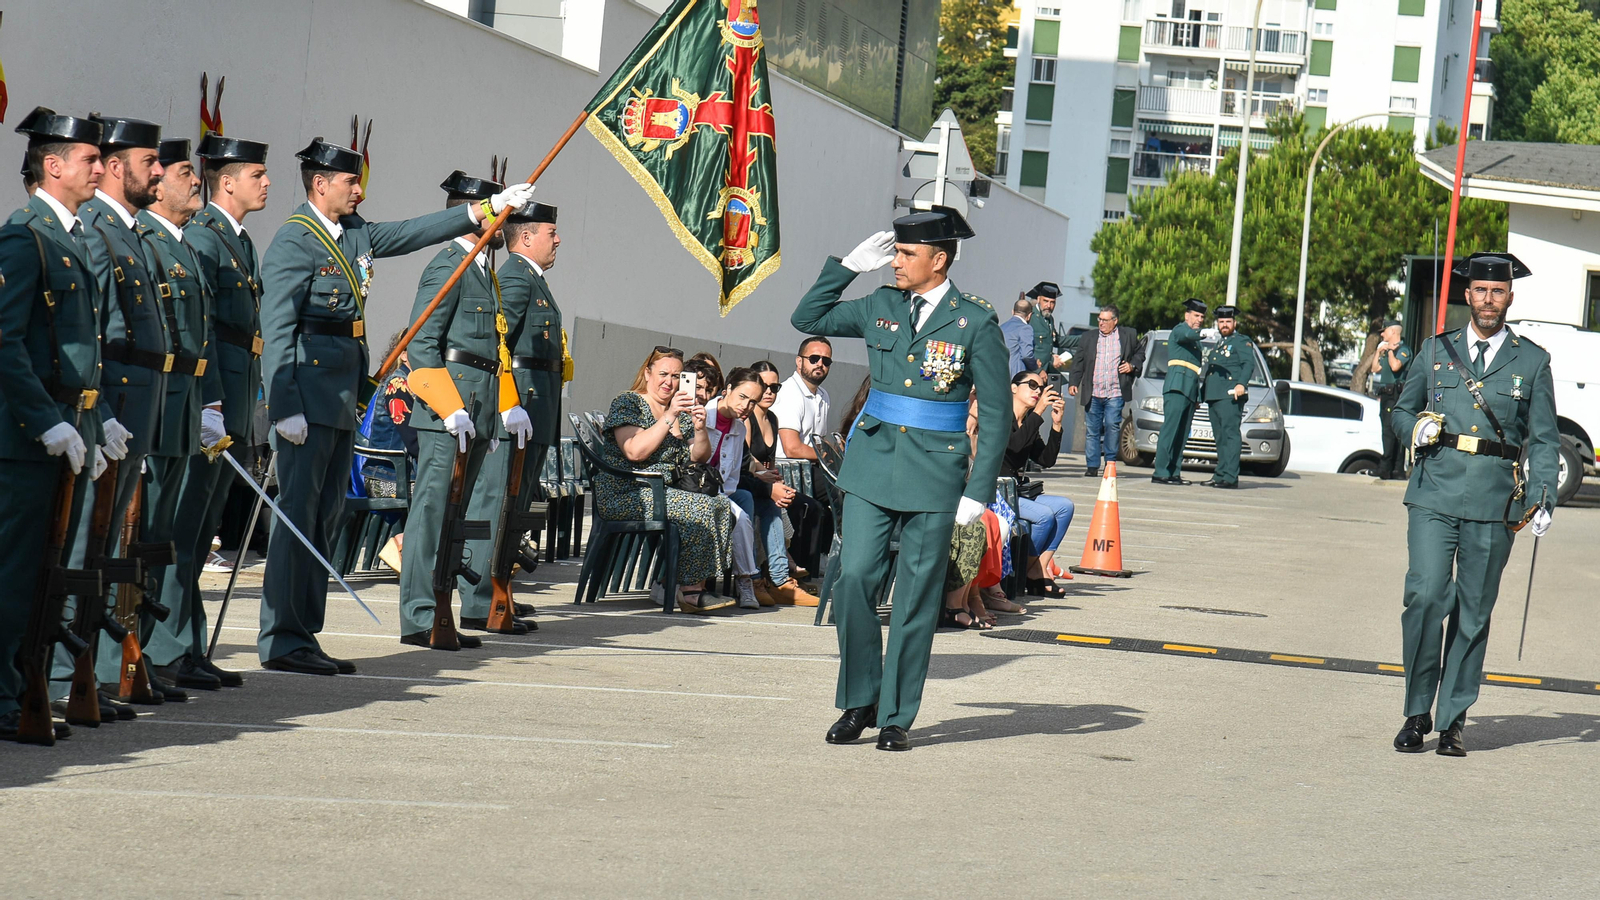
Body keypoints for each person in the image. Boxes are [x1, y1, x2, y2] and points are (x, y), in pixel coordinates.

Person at [257, 138, 534, 675]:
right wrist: (283, 401)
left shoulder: (353, 233)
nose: (359, 190)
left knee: (325, 518)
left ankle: (303, 633)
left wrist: (487, 210)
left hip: (339, 397)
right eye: (349, 181)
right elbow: (278, 327)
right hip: (306, 399)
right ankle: (281, 637)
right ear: (321, 184)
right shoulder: (296, 241)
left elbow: (410, 234)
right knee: (297, 518)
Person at [792, 204, 1009, 752]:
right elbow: (808, 319)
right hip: (871, 466)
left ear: (939, 260)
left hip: (936, 476)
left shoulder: (975, 320)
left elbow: (1000, 414)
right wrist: (847, 266)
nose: (895, 261)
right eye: (894, 253)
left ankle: (895, 716)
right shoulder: (881, 303)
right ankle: (859, 699)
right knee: (855, 580)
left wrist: (976, 494)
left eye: (906, 254)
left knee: (914, 599)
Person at [1391, 252, 1558, 757]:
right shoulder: (1435, 351)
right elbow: (1402, 409)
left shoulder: (1533, 361)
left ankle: (1453, 719)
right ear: (1468, 295)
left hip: (1493, 500)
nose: (1489, 300)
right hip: (1435, 488)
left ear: (1510, 297)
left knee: (1473, 611)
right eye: (1481, 291)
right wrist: (1414, 427)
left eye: (1498, 292)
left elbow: (1545, 439)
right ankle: (1418, 711)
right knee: (1424, 596)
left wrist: (1543, 493)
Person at [0, 108, 111, 742]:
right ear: (53, 165)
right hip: (22, 440)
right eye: (90, 159)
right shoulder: (26, 236)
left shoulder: (67, 235)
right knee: (13, 575)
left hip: (64, 429)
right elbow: (6, 342)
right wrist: (46, 421)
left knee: (41, 575)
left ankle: (20, 687)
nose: (100, 169)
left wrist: (91, 424)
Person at [144, 134, 270, 688]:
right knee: (181, 529)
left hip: (231, 400)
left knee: (200, 531)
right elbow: (208, 334)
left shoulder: (235, 240)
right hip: (203, 401)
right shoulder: (202, 237)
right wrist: (212, 401)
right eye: (257, 174)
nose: (267, 184)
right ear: (229, 179)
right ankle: (166, 647)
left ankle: (186, 643)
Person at [399, 170, 532, 649]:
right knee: (432, 514)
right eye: (497, 209)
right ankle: (418, 615)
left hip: (479, 405)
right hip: (448, 410)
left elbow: (493, 347)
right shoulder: (448, 264)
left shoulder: (481, 269)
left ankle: (443, 610)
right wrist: (449, 406)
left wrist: (504, 407)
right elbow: (422, 344)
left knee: (458, 517)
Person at [73, 116, 175, 704]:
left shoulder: (130, 231)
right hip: (115, 404)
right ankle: (70, 670)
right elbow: (95, 334)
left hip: (143, 401)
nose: (157, 171)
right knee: (91, 541)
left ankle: (108, 664)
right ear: (116, 167)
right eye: (148, 161)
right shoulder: (97, 228)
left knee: (119, 543)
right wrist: (105, 409)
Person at [138, 138, 224, 691]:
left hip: (185, 410)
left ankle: (158, 652)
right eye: (183, 172)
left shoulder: (187, 245)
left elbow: (203, 336)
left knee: (166, 538)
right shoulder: (147, 242)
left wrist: (211, 403)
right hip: (150, 411)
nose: (196, 181)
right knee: (143, 539)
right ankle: (140, 654)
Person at [464, 198, 563, 633]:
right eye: (550, 233)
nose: (558, 239)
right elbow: (498, 343)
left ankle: (500, 591)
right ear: (525, 237)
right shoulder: (517, 279)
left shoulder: (532, 279)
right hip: (517, 410)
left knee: (516, 509)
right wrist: (508, 402)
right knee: (497, 504)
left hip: (535, 409)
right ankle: (479, 601)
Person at [595, 348, 734, 612]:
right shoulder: (629, 403)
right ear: (647, 373)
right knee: (701, 507)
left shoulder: (680, 410)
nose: (669, 382)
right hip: (627, 493)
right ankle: (689, 591)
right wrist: (668, 417)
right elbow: (634, 451)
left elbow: (699, 456)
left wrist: (701, 428)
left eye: (675, 376)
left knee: (720, 505)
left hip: (664, 493)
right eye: (663, 374)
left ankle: (690, 586)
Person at [742, 360, 819, 606]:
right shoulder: (746, 416)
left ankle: (782, 575)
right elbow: (745, 462)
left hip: (762, 482)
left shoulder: (773, 419)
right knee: (779, 503)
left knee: (805, 505)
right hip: (746, 482)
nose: (768, 392)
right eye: (764, 386)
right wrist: (769, 483)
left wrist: (775, 480)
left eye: (774, 388)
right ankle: (780, 573)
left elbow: (770, 462)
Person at [1004, 371, 1075, 597]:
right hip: (999, 493)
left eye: (1041, 387)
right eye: (1032, 385)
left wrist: (1056, 425)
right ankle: (1029, 570)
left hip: (1020, 491)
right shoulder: (1002, 416)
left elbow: (1046, 460)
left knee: (1065, 507)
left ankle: (1037, 568)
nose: (1037, 391)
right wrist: (1039, 411)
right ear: (1014, 388)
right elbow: (1015, 445)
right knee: (1044, 515)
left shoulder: (1028, 421)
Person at [707, 367, 769, 608]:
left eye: (753, 402)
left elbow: (730, 479)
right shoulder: (703, 414)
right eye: (743, 397)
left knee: (742, 510)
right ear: (728, 390)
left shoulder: (739, 428)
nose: (746, 406)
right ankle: (746, 579)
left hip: (720, 493)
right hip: (693, 489)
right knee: (741, 517)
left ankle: (746, 580)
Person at [1068, 303, 1144, 478]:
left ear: (1115, 321)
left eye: (1105, 320)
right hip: (1093, 392)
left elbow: (1140, 353)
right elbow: (1078, 361)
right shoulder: (1088, 338)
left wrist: (1132, 365)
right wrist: (1074, 382)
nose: (1101, 323)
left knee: (1112, 425)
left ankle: (1110, 463)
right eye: (1099, 319)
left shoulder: (1128, 335)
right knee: (1092, 430)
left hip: (1115, 391)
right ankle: (1092, 466)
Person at [1151, 298, 1207, 485]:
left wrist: (1197, 395)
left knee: (1182, 434)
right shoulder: (1180, 330)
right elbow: (1187, 335)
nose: (1199, 319)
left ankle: (1174, 471)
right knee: (1171, 430)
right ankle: (1161, 471)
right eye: (1196, 315)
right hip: (1176, 386)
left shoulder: (1195, 340)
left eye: (1202, 317)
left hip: (1189, 389)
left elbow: (1195, 371)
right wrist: (1204, 333)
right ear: (1187, 315)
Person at [1201, 305, 1251, 490]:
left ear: (1234, 323)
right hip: (1215, 396)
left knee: (1230, 435)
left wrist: (1241, 384)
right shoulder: (1219, 343)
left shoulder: (1241, 341)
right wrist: (1202, 394)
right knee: (1220, 437)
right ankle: (1220, 474)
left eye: (1228, 321)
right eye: (1221, 322)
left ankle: (1230, 476)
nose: (1224, 325)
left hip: (1231, 394)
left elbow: (1248, 364)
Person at [773, 336, 831, 462]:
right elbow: (792, 448)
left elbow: (819, 442)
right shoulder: (789, 392)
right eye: (814, 359)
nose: (820, 364)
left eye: (826, 361)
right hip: (787, 471)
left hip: (814, 469)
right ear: (799, 362)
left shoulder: (823, 395)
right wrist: (829, 456)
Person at [1372, 319, 1412, 480]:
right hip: (1386, 396)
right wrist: (1378, 353)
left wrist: (1389, 351)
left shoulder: (1403, 350)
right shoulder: (1387, 350)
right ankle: (1391, 469)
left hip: (1395, 395)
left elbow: (1395, 366)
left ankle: (1388, 467)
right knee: (1386, 431)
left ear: (1393, 332)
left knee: (1391, 432)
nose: (1382, 334)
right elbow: (1375, 369)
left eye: (1385, 330)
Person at [1028, 281, 1071, 374]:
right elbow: (1027, 349)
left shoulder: (1049, 318)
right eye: (1046, 301)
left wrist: (1084, 338)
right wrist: (1050, 360)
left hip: (1045, 371)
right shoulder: (1031, 316)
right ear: (1039, 299)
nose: (1049, 306)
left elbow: (1056, 341)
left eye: (1052, 303)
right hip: (1033, 371)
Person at [1000, 296, 1036, 377]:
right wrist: (1035, 366)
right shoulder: (1025, 328)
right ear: (1029, 315)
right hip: (1016, 374)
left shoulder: (1002, 327)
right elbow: (1026, 355)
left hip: (999, 373)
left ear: (1012, 312)